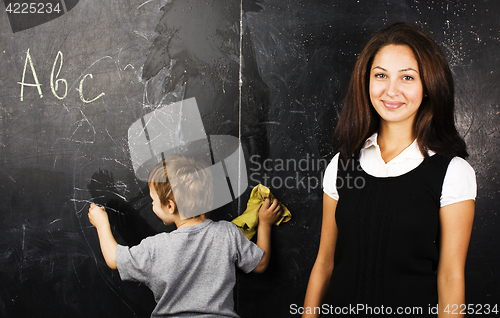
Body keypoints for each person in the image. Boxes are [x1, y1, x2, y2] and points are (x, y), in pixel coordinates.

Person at [303, 23, 476, 317]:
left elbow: (450, 277)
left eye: (407, 77)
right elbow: (325, 262)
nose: (391, 90)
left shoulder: (453, 172)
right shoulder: (341, 164)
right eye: (380, 75)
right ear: (366, 82)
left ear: (428, 88)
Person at [88, 154, 282, 317]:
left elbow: (114, 259)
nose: (152, 204)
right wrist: (264, 223)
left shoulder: (156, 247)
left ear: (170, 206)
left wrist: (101, 223)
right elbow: (261, 263)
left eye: (153, 199)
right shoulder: (227, 233)